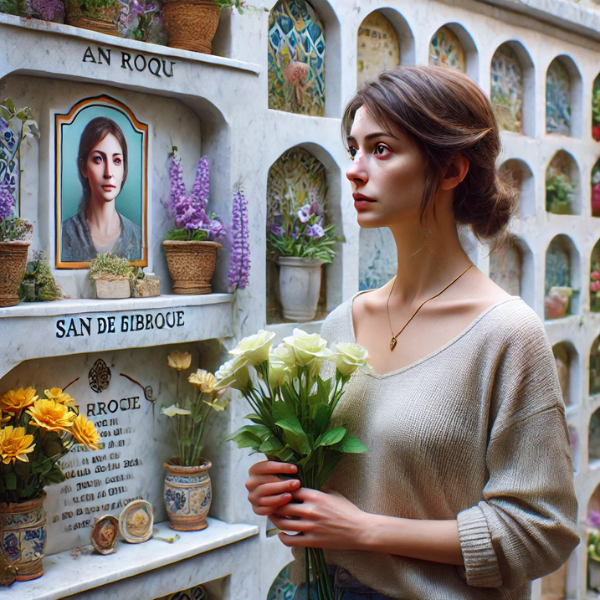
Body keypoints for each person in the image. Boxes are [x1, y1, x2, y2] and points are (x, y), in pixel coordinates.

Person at [246, 66, 579, 599]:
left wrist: (364, 531)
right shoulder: (341, 324)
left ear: (450, 169)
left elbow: (543, 530)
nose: (354, 170)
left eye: (380, 149)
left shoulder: (508, 336)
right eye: (354, 148)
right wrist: (284, 490)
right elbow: (334, 489)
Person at [62, 116, 142, 262]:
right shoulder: (63, 235)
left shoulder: (138, 237)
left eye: (117, 161)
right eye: (98, 159)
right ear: (83, 168)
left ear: (124, 171)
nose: (108, 173)